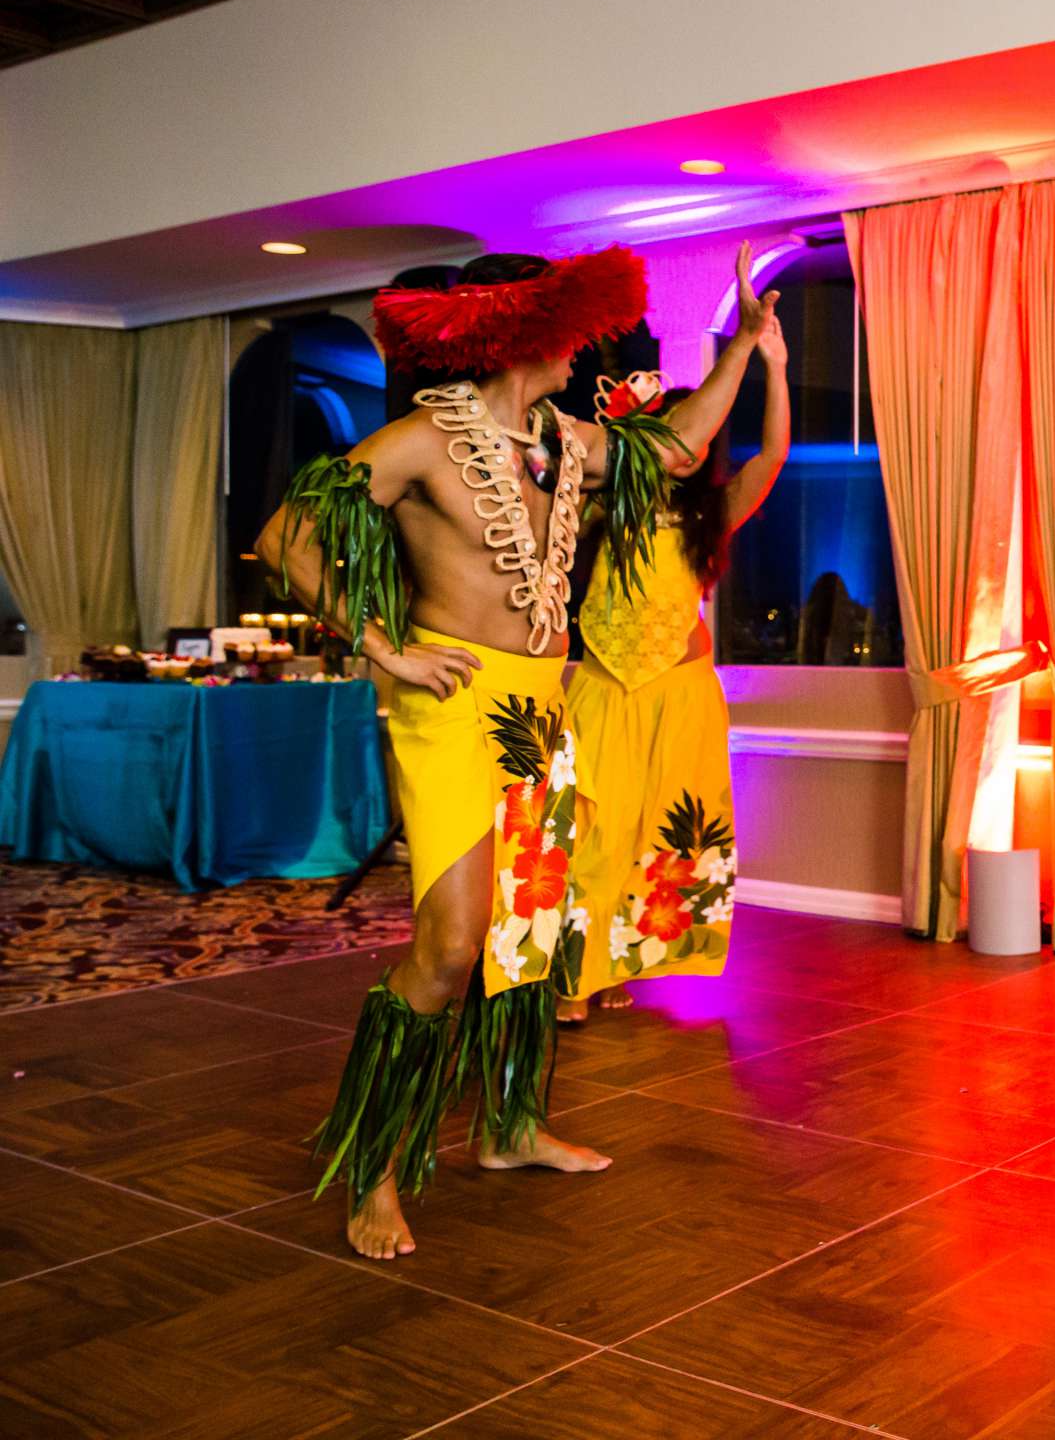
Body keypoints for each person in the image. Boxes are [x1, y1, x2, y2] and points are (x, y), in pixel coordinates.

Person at [256, 246, 729, 1260]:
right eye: (568, 332)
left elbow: (679, 450)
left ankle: (510, 1125)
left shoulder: (565, 440)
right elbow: (286, 533)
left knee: (531, 937)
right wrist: (381, 641)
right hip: (453, 701)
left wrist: (749, 350)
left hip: (541, 702)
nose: (583, 350)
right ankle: (374, 1167)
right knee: (453, 942)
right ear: (525, 336)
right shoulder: (427, 438)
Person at [556, 254, 790, 1021]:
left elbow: (774, 457)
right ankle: (568, 978)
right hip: (598, 688)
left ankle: (615, 967)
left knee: (661, 835)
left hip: (681, 695)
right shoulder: (593, 507)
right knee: (590, 832)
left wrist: (774, 367)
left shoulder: (706, 516)